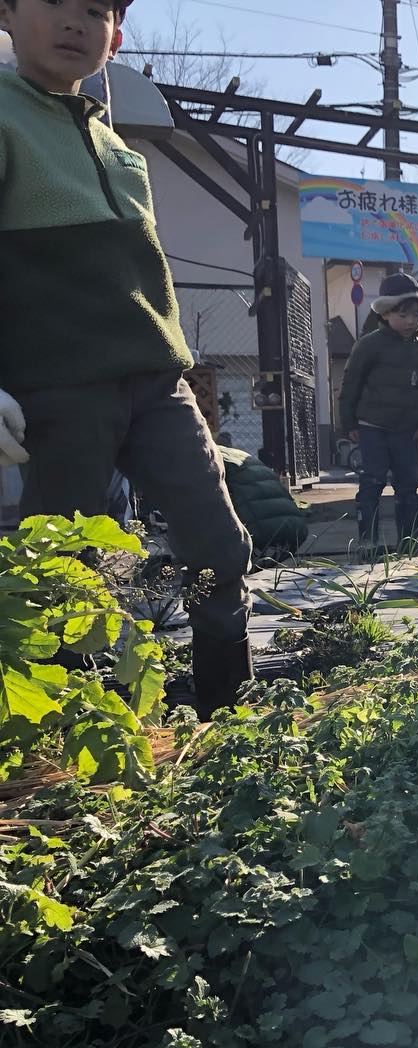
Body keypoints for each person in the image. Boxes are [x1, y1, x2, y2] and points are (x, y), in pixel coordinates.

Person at [0, 0, 255, 717]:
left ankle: (229, 717)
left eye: (95, 9)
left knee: (218, 545)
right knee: (64, 572)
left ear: (115, 34)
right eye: (53, 2)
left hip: (156, 382)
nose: (75, 21)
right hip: (58, 387)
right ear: (9, 13)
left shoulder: (119, 148)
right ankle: (64, 738)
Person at [337, 273, 418, 552]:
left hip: (408, 429)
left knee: (408, 485)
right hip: (372, 425)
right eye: (402, 314)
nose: (410, 321)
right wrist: (348, 423)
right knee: (372, 481)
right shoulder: (370, 345)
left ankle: (410, 542)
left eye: (416, 316)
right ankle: (367, 541)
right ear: (385, 313)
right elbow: (350, 384)